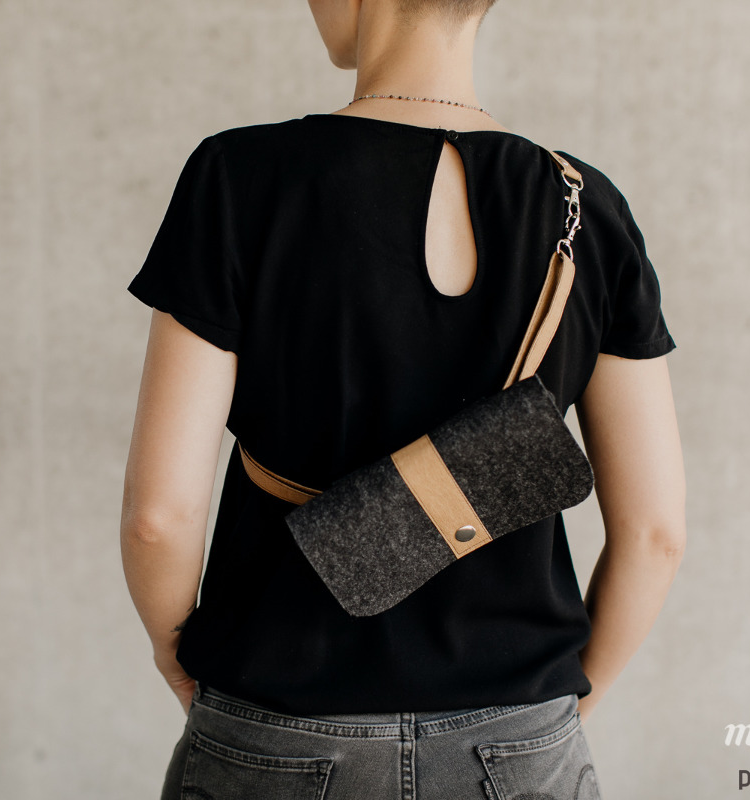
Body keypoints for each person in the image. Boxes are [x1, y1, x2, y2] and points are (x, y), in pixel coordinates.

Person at [120, 0, 687, 796]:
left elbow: (160, 517)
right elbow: (656, 533)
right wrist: (555, 715)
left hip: (277, 717)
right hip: (518, 730)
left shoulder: (240, 176)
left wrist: (177, 660)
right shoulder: (588, 208)